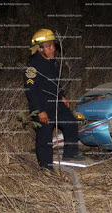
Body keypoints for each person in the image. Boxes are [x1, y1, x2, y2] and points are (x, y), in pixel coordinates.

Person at [24, 29, 85, 172]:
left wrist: (62, 95)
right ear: (39, 49)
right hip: (42, 107)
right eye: (48, 46)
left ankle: (70, 154)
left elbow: (56, 82)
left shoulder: (52, 62)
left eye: (53, 45)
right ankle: (46, 168)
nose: (52, 49)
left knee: (71, 123)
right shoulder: (31, 68)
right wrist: (39, 111)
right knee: (44, 137)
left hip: (56, 103)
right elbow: (30, 92)